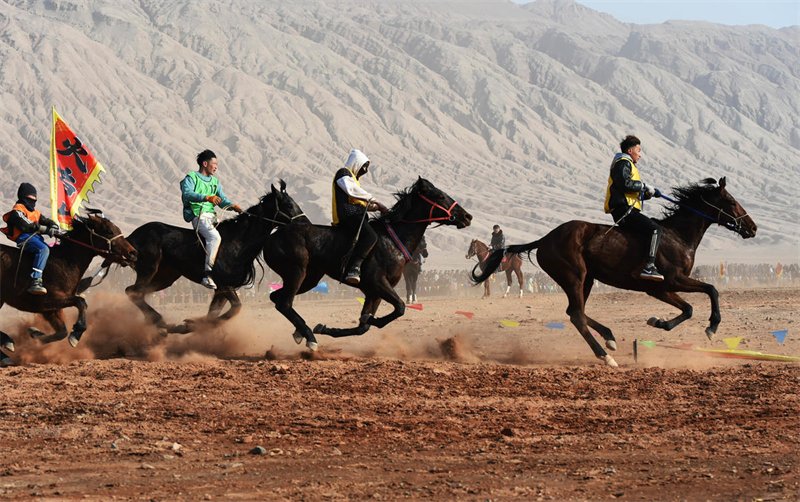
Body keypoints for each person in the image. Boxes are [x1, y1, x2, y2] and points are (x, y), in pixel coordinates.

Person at [604, 135, 664, 281]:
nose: (640, 154)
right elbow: (625, 184)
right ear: (630, 150)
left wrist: (648, 194)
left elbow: (629, 193)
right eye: (639, 150)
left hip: (626, 207)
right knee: (655, 229)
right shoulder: (623, 162)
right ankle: (649, 267)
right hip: (623, 210)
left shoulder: (628, 164)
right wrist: (643, 186)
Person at [181, 150, 242, 289]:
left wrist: (232, 206)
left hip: (212, 217)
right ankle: (207, 275)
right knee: (214, 238)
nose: (216, 167)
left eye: (216, 164)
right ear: (205, 163)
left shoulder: (215, 182)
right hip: (198, 215)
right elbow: (188, 193)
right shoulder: (191, 178)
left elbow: (222, 200)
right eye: (214, 163)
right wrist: (207, 197)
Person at [331, 149, 388, 284]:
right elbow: (353, 191)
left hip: (357, 214)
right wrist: (376, 200)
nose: (364, 171)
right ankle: (354, 268)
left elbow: (361, 202)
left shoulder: (353, 180)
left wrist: (376, 208)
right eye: (363, 167)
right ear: (357, 164)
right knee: (371, 236)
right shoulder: (343, 173)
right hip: (349, 215)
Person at [1, 183, 60, 294]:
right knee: (43, 249)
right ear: (23, 196)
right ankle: (36, 281)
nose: (33, 199)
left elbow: (46, 220)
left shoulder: (36, 213)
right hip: (24, 238)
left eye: (34, 197)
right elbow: (25, 224)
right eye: (30, 196)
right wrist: (44, 229)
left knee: (50, 251)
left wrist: (53, 226)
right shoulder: (18, 209)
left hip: (35, 238)